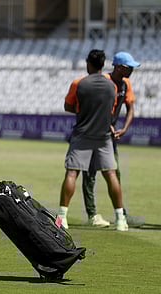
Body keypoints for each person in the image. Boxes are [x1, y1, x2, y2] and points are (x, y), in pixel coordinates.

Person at [57, 49, 128, 231]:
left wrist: (83, 112)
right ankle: (121, 219)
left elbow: (68, 106)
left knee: (72, 173)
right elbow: (110, 110)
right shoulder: (111, 86)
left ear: (88, 63)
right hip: (103, 136)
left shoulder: (78, 83)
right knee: (111, 174)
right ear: (103, 65)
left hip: (82, 134)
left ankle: (62, 217)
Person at [81, 51, 141, 227]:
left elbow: (130, 108)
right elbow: (97, 109)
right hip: (94, 132)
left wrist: (124, 128)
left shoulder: (126, 84)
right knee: (90, 174)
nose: (132, 71)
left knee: (115, 173)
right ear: (120, 67)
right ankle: (92, 214)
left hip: (110, 136)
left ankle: (120, 213)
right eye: (130, 67)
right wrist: (107, 124)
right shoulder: (104, 82)